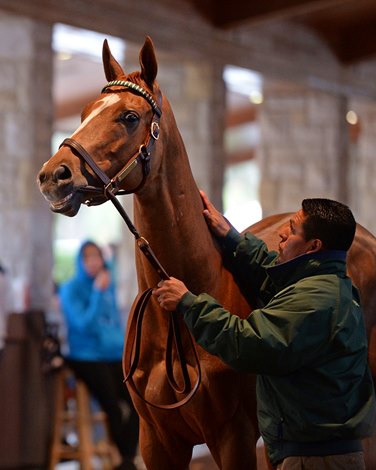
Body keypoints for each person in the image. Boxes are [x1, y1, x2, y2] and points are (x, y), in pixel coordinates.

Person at [153, 191, 376, 470]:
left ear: (313, 246)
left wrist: (189, 304)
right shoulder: (326, 284)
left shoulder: (315, 302)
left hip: (315, 459)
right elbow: (274, 278)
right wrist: (231, 237)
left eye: (292, 229)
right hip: (318, 452)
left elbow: (249, 344)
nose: (282, 233)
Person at [59, 240, 139, 470]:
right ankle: (126, 460)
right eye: (88, 258)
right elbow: (84, 324)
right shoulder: (71, 289)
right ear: (80, 261)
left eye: (97, 257)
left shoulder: (107, 284)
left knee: (138, 401)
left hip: (112, 354)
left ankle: (127, 458)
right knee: (112, 404)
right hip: (85, 356)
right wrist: (96, 294)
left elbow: (112, 322)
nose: (94, 262)